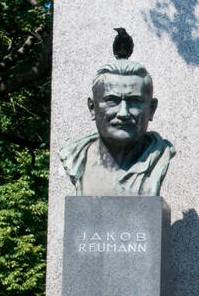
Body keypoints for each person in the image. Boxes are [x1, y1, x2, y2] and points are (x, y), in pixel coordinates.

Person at [59, 60, 175, 195]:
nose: (123, 113)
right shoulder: (74, 158)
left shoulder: (161, 157)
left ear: (152, 109)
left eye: (135, 102)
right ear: (92, 108)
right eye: (112, 101)